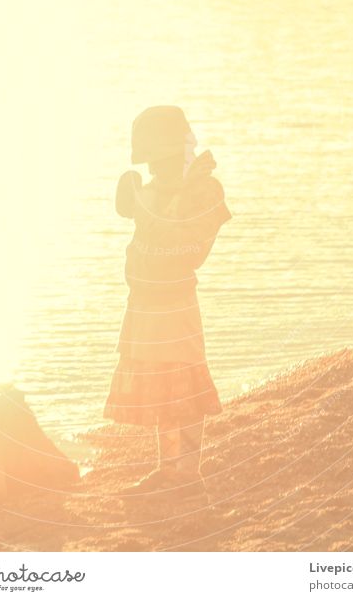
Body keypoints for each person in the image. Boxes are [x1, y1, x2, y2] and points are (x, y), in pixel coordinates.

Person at [104, 105, 231, 498]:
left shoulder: (204, 189)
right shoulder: (154, 189)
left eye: (161, 160)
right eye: (152, 163)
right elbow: (145, 231)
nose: (157, 169)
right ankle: (167, 468)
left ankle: (188, 473)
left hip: (175, 302)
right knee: (160, 381)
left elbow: (191, 250)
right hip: (144, 300)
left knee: (186, 383)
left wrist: (156, 202)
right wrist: (141, 200)